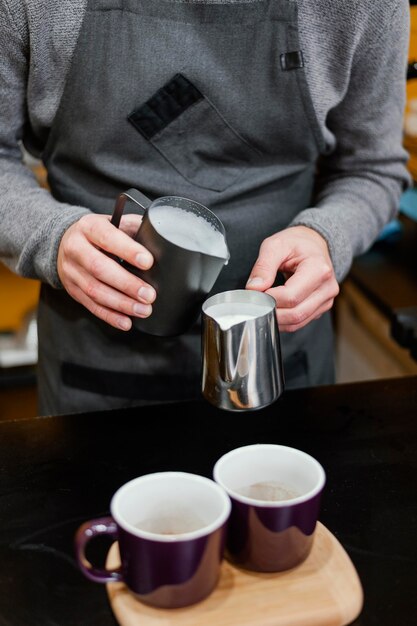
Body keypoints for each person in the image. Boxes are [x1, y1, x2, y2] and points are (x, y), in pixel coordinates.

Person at [0, 0, 411, 416]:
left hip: (276, 362)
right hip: (93, 365)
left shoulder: (358, 7)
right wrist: (54, 236)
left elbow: (371, 168)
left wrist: (327, 235)